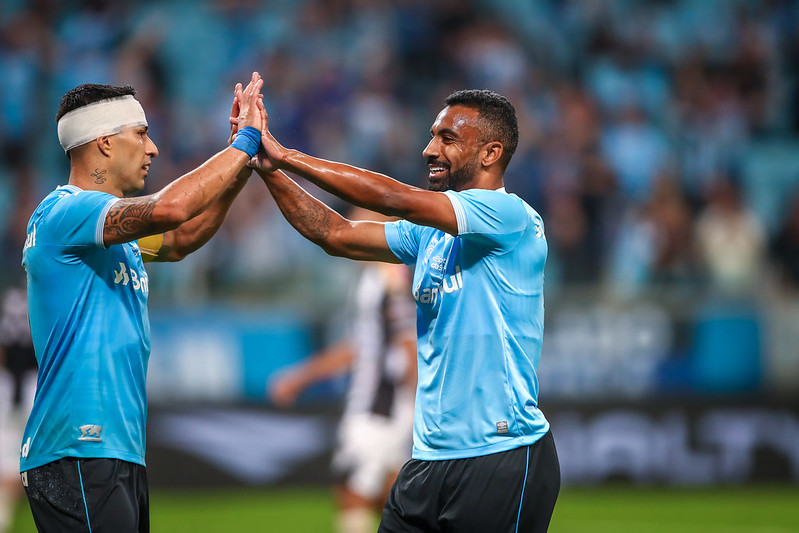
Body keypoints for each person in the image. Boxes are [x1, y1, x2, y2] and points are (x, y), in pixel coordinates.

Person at [248, 88, 560, 532]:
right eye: (433, 135)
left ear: (491, 153)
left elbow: (395, 198)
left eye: (448, 138)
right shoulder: (430, 234)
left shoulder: (509, 216)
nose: (429, 149)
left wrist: (287, 155)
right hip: (428, 459)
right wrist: (270, 170)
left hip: (499, 454)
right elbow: (336, 234)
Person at [19, 72, 265, 532]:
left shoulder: (110, 233)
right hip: (79, 445)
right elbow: (171, 209)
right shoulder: (63, 213)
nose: (152, 149)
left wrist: (241, 166)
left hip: (116, 448)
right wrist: (243, 143)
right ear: (105, 143)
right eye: (141, 134)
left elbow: (182, 237)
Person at [269, 210, 416, 533]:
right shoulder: (374, 278)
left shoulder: (390, 277)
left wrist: (420, 402)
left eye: (360, 217)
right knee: (391, 499)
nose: (351, 224)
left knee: (352, 492)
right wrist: (302, 377)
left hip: (380, 405)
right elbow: (362, 346)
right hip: (382, 403)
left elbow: (408, 341)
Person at [0, 285, 36, 533]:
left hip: (9, 386)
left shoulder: (10, 299)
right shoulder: (40, 295)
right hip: (33, 387)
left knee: (11, 458)